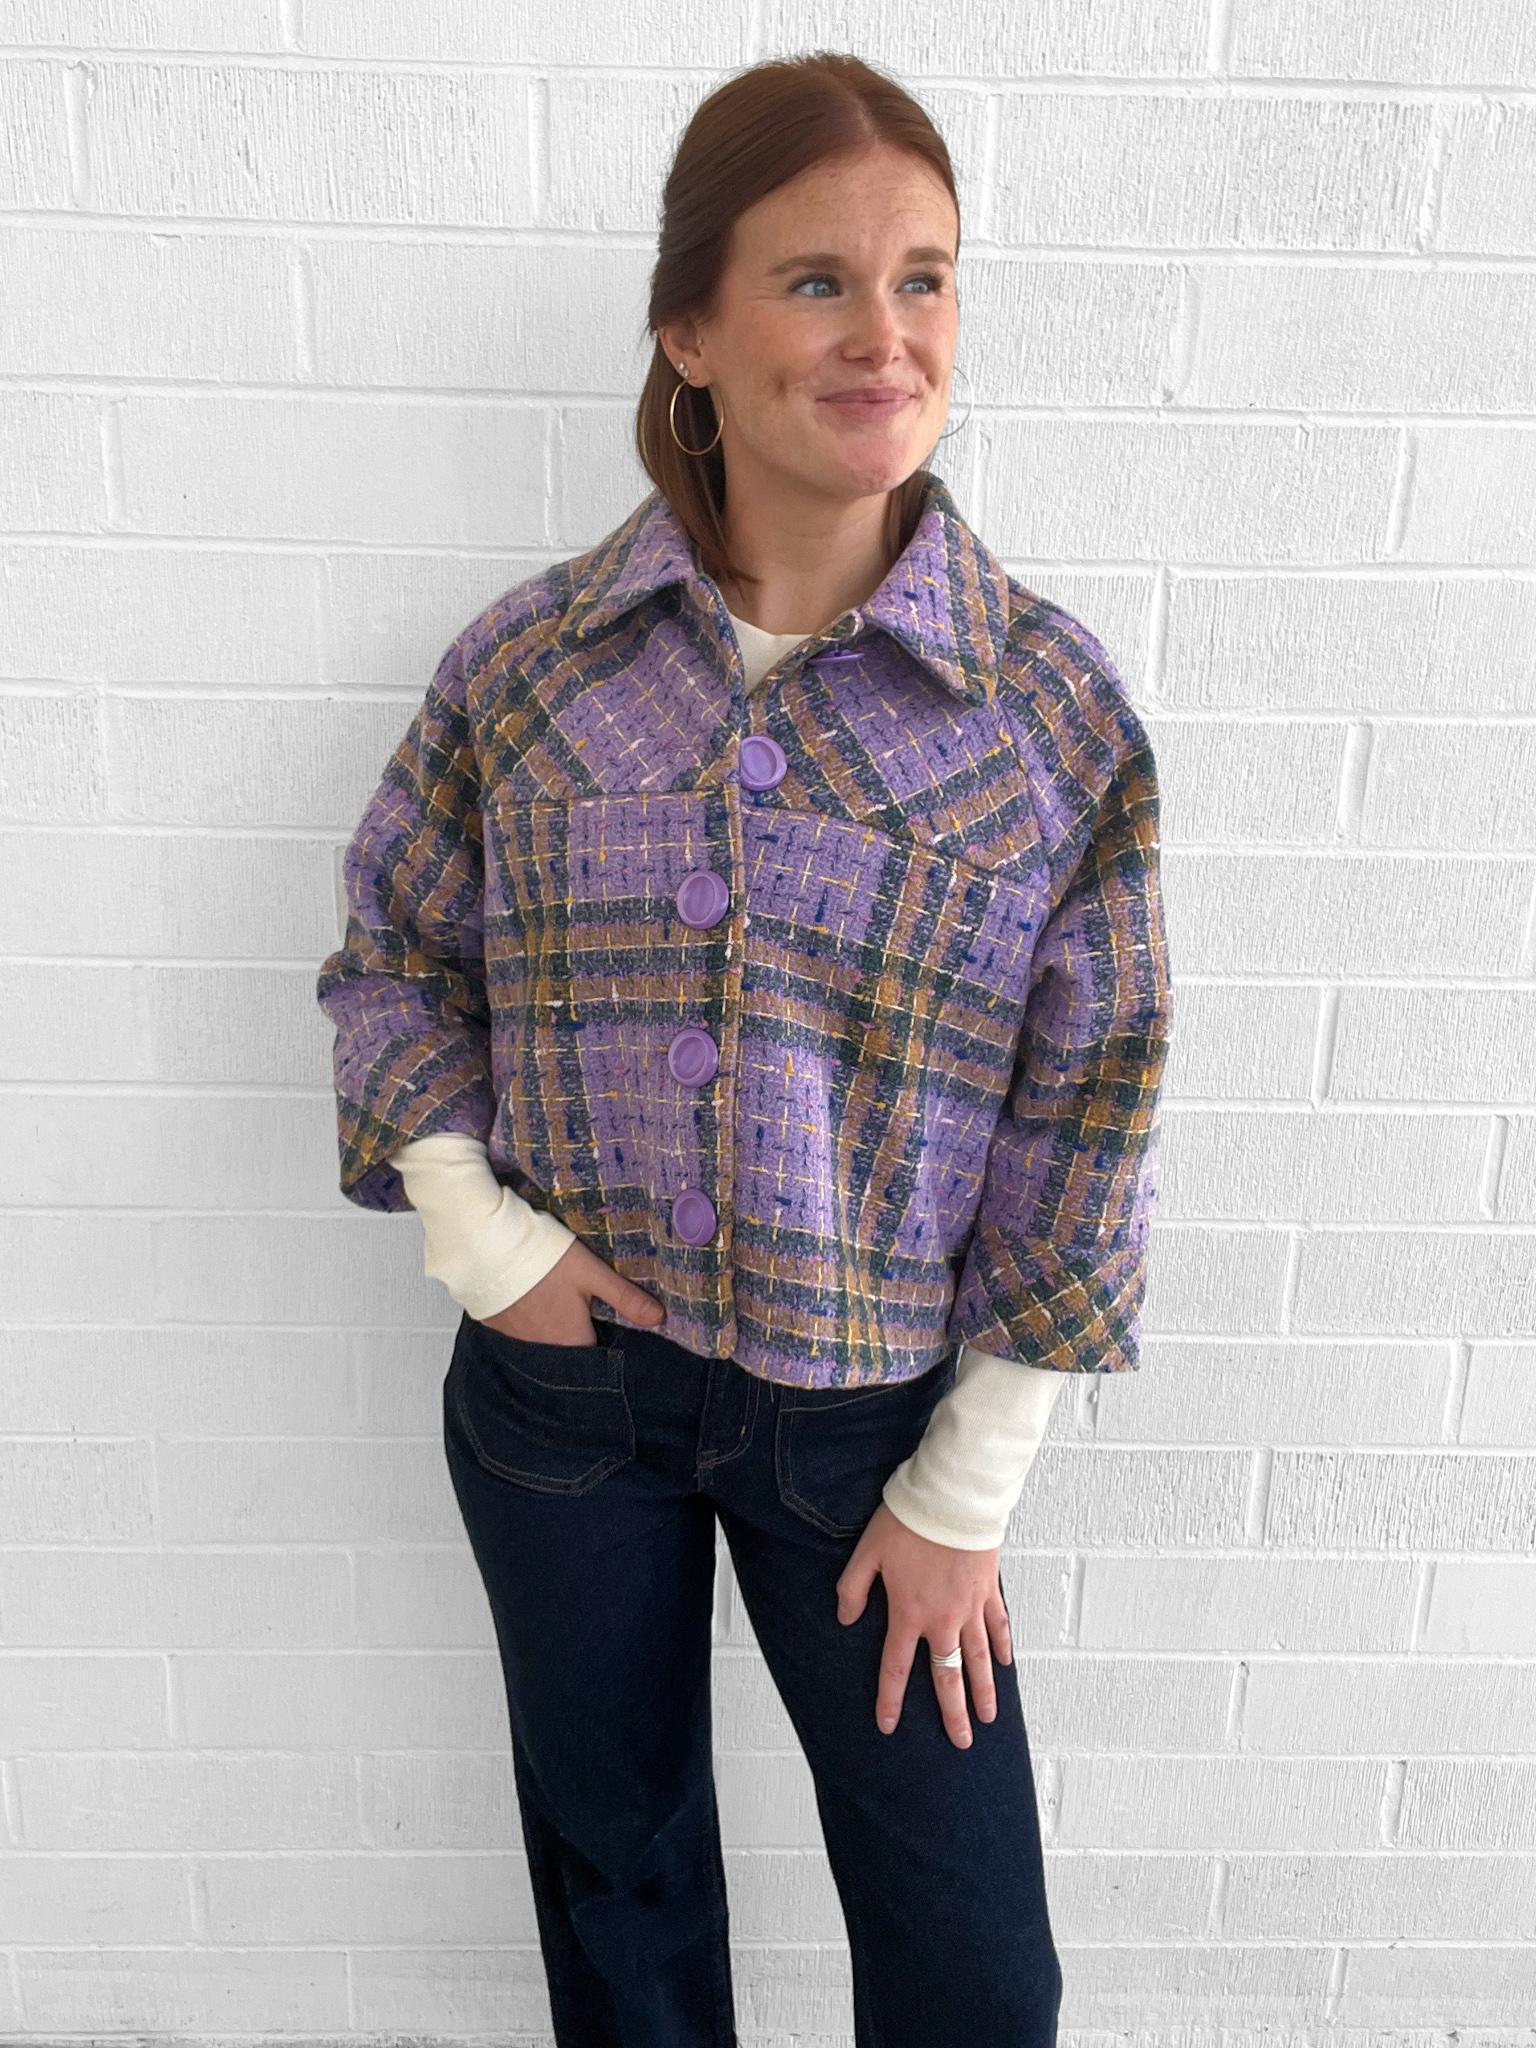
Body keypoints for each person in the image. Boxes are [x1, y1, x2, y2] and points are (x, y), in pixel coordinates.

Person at [315, 50, 1170, 2048]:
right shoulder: (531, 671)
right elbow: (392, 958)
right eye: (815, 282)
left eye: (924, 279)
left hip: (873, 1433)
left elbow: (1092, 1112)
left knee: (972, 1966)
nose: (886, 333)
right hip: (566, 1401)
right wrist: (483, 1240)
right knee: (619, 1892)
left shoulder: (1041, 713)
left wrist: (968, 1484)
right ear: (690, 332)